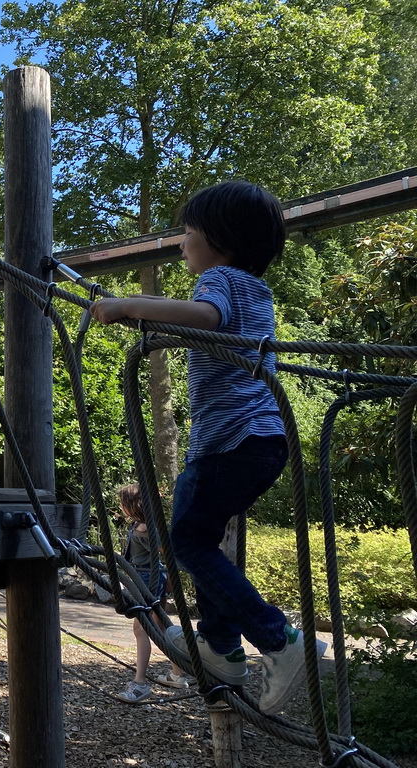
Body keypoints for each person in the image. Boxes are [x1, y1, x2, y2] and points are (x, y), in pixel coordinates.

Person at [89, 180, 326, 714]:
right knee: (202, 539)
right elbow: (204, 326)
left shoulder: (220, 281)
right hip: (259, 442)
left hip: (232, 443)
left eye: (188, 232)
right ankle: (222, 650)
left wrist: (127, 301)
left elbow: (205, 317)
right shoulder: (253, 289)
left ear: (221, 240)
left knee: (187, 543)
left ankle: (281, 641)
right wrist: (138, 315)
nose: (181, 242)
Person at [115, 483, 191, 703]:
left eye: (123, 502)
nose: (120, 506)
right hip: (147, 577)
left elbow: (166, 551)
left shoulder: (145, 529)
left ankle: (140, 684)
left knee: (141, 629)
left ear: (132, 505)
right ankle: (177, 674)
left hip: (147, 579)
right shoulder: (140, 525)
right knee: (159, 625)